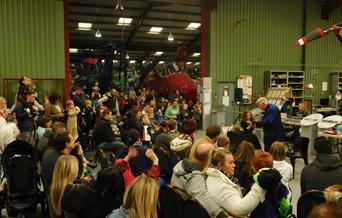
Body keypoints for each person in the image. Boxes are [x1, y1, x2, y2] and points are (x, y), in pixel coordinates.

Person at [171, 143, 229, 218]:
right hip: (187, 213)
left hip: (175, 209)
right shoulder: (194, 177)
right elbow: (203, 197)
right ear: (209, 159)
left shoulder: (180, 164)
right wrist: (222, 215)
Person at [206, 148, 266, 217]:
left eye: (233, 162)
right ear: (220, 165)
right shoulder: (220, 185)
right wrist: (260, 185)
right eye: (230, 163)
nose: (234, 165)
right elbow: (239, 209)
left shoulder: (217, 178)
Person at [250, 151, 292, 218]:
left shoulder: (251, 184)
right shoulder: (279, 185)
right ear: (272, 166)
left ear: (254, 167)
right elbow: (286, 205)